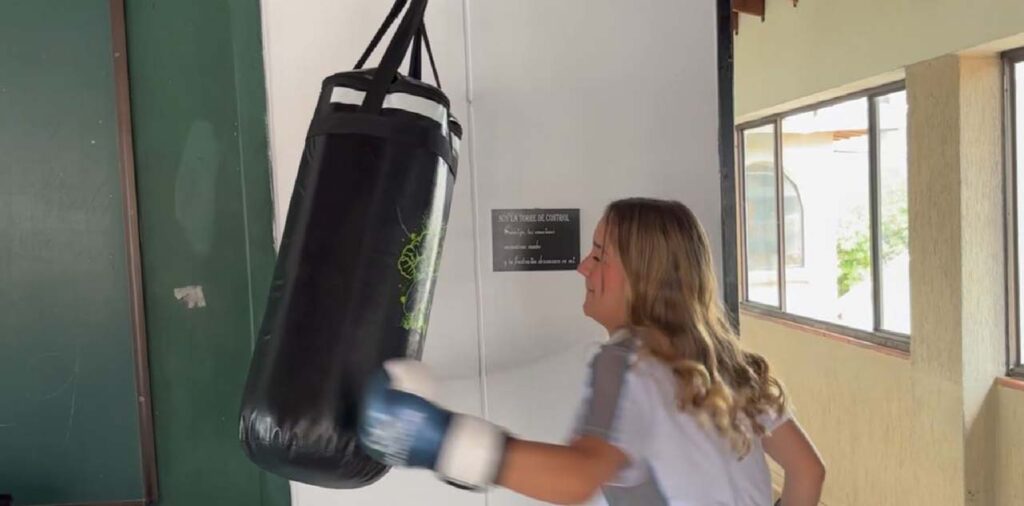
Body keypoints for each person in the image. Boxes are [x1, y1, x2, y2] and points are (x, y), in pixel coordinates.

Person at [358, 198, 826, 505]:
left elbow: (577, 477)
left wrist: (440, 441)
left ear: (644, 276)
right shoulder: (734, 367)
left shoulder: (626, 361)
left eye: (600, 255)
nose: (584, 267)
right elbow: (808, 473)